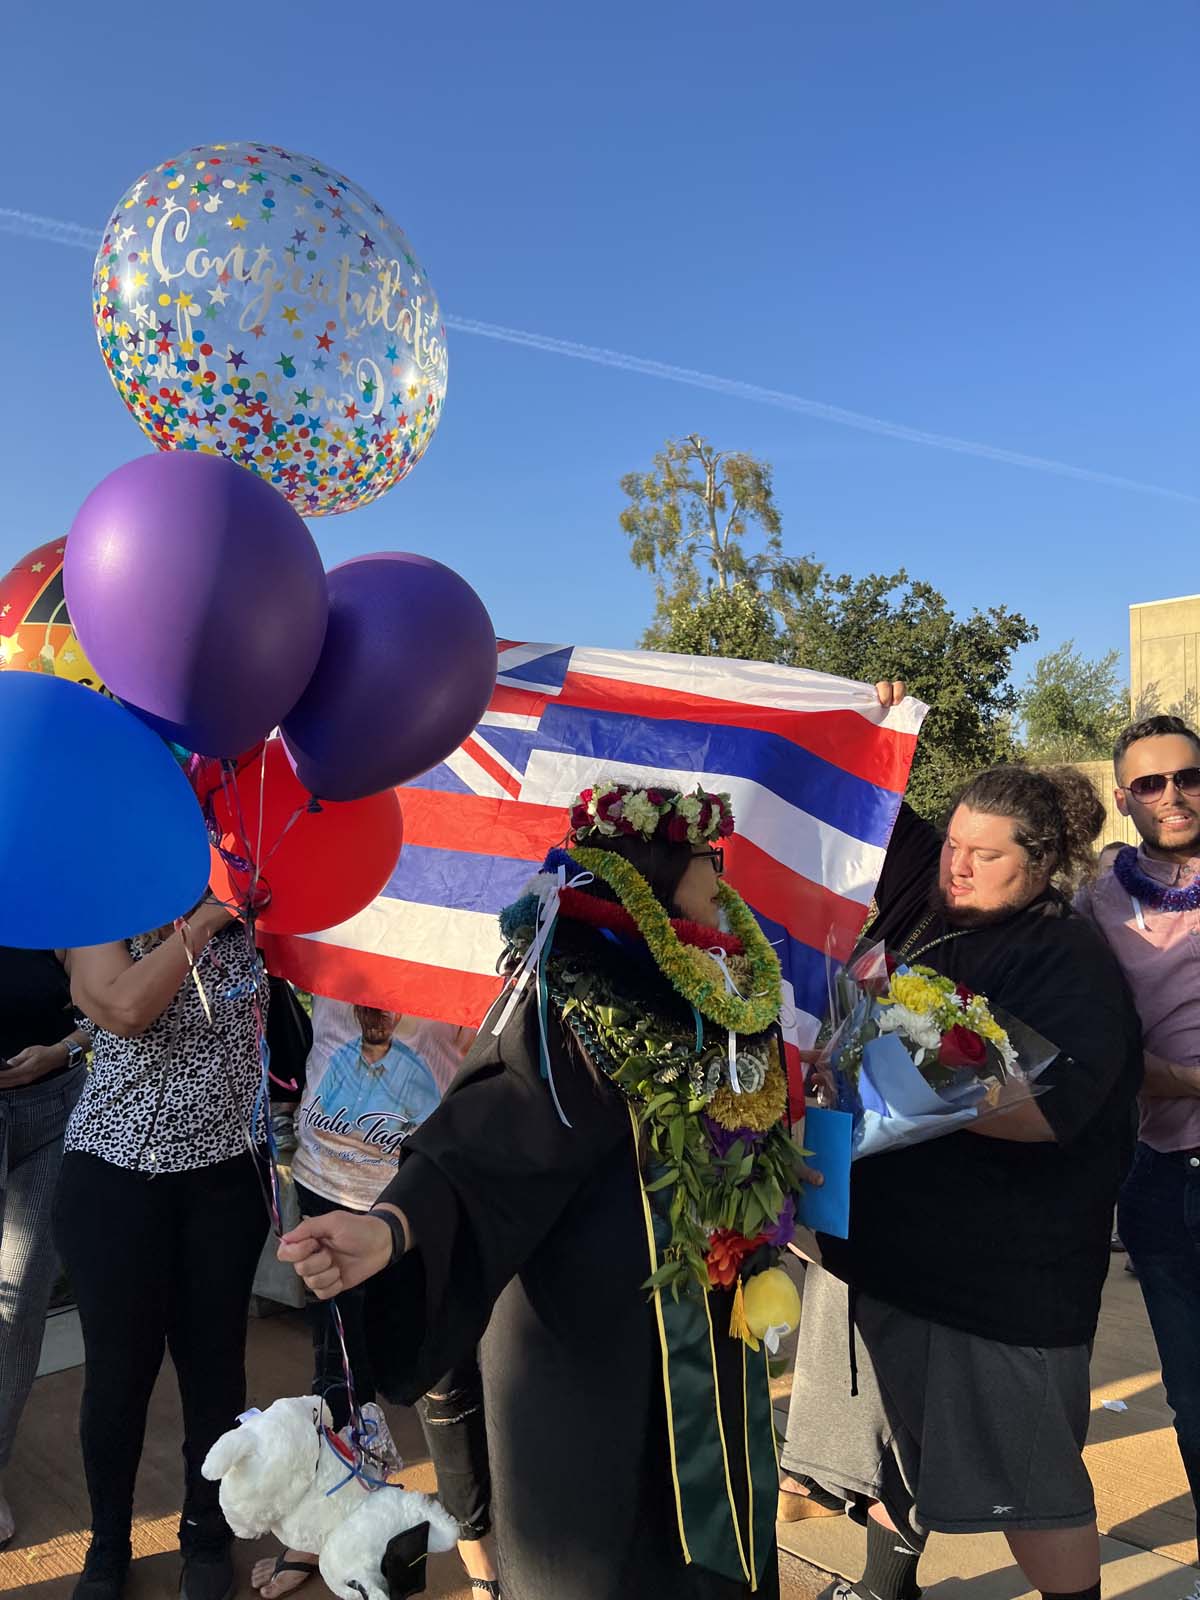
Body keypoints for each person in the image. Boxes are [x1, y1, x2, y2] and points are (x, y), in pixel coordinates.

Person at [278, 774, 822, 1599]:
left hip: (702, 1322)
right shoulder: (569, 992)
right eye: (712, 862)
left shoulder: (715, 988)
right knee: (599, 1551)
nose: (723, 880)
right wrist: (390, 1229)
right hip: (586, 1341)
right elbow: (488, 1132)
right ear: (655, 868)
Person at [781, 711, 1143, 1600]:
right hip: (886, 1260)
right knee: (896, 1452)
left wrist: (913, 1086)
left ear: (1043, 861)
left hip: (1001, 1286)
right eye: (955, 844)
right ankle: (880, 1589)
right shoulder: (931, 920)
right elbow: (878, 802)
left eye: (986, 854)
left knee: (1031, 1492)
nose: (959, 865)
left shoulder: (1067, 959)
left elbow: (1051, 1112)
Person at [55, 899, 269, 1600]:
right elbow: (122, 1009)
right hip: (119, 1180)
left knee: (216, 1370)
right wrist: (206, 921)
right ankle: (107, 1545)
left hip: (227, 1177)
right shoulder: (102, 897)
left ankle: (207, 1535)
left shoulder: (256, 905)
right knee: (119, 1376)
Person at [251, 998, 500, 1598]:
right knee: (335, 1367)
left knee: (444, 1380)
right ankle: (320, 1525)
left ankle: (478, 1547)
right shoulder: (333, 915)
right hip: (323, 1180)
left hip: (422, 1192)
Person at [1075, 715, 1200, 1561]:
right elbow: (1101, 1048)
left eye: (1187, 776)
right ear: (1123, 798)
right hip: (1166, 1175)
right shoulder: (1096, 901)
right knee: (1195, 1395)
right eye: (1149, 784)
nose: (1172, 795)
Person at [0, 947, 91, 1547]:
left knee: (16, 1312)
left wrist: (65, 1049)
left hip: (51, 1112)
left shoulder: (54, 886)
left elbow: (111, 1003)